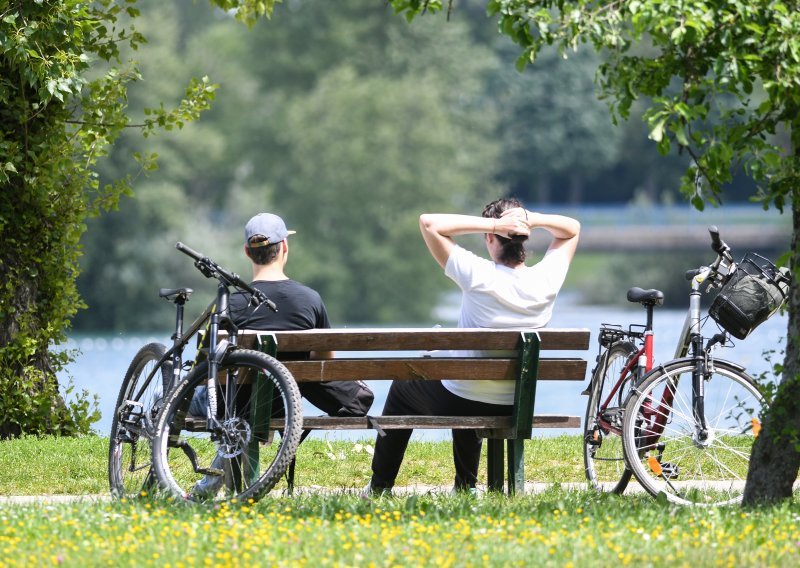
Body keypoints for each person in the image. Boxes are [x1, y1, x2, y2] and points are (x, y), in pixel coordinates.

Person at [365, 197, 580, 495]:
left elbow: (429, 222)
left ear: (491, 238)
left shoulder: (477, 275)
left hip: (462, 396)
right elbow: (572, 229)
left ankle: (379, 487)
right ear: (524, 238)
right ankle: (464, 486)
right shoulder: (547, 280)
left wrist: (493, 223)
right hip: (513, 402)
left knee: (406, 386)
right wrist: (531, 218)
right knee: (461, 376)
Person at [192, 212, 373, 496]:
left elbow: (205, 370)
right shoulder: (310, 299)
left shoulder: (231, 302)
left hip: (230, 408)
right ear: (285, 248)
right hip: (282, 404)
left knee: (173, 396)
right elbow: (326, 363)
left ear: (247, 252)